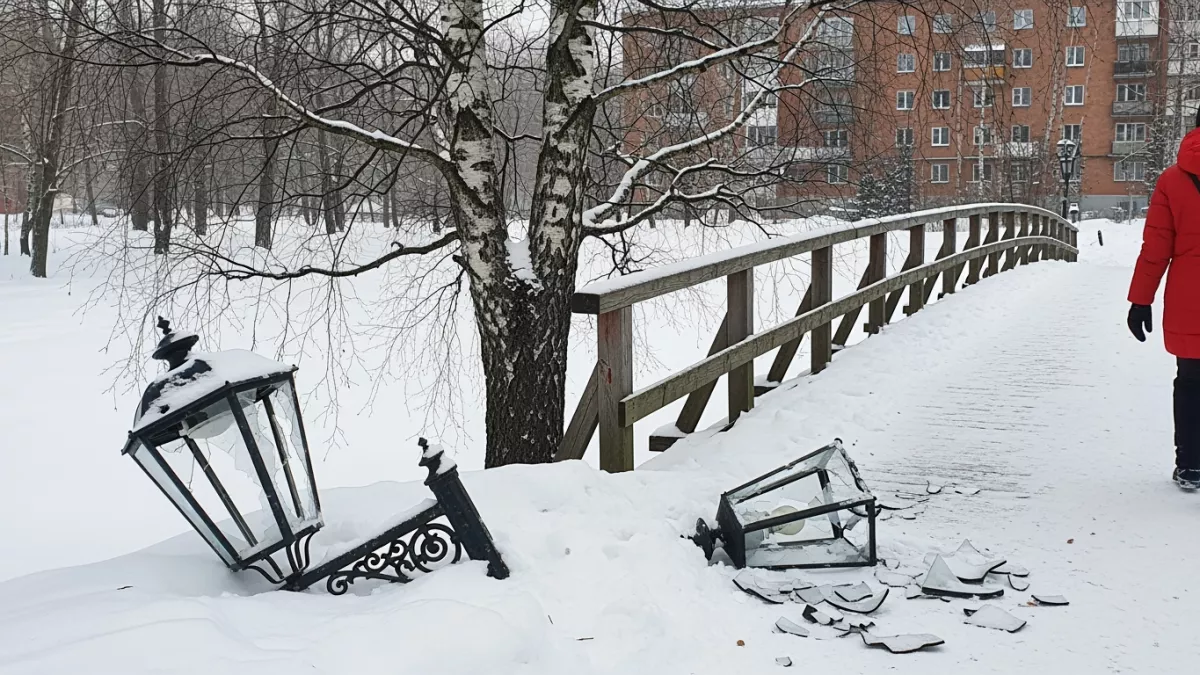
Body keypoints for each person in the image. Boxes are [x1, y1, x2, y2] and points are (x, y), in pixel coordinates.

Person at [1128, 111, 1200, 490]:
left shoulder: (1173, 180)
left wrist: (1141, 300)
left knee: (1190, 381)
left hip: (1190, 296)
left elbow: (1156, 247)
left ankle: (1190, 465)